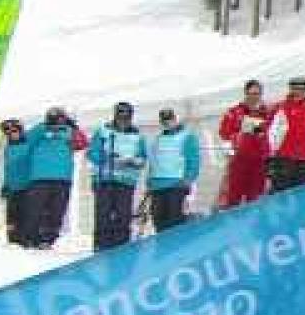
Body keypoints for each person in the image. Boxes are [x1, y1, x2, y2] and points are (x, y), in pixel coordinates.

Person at [25, 106, 88, 248]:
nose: (56, 124)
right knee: (35, 209)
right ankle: (31, 237)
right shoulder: (39, 130)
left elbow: (82, 143)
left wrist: (75, 128)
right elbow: (26, 140)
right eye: (53, 120)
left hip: (62, 178)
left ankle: (48, 239)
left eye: (59, 120)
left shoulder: (69, 131)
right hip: (39, 177)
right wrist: (43, 129)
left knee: (57, 210)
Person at [88, 101, 147, 251]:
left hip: (126, 180)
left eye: (126, 116)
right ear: (115, 115)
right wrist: (107, 158)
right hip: (105, 178)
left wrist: (134, 161)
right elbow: (92, 152)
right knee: (103, 213)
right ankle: (101, 245)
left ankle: (121, 246)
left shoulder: (138, 135)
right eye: (120, 116)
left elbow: (142, 157)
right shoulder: (103, 131)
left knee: (123, 214)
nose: (123, 120)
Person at [218, 79, 271, 208]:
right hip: (239, 160)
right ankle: (232, 223)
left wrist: (269, 155)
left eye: (257, 94)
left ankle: (254, 224)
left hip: (260, 161)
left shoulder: (268, 112)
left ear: (261, 94)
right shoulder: (234, 112)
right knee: (233, 196)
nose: (254, 97)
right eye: (251, 93)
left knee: (256, 197)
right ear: (245, 93)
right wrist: (231, 152)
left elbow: (274, 135)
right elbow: (224, 134)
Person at [267, 77, 305, 192]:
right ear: (291, 90)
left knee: (303, 195)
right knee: (281, 194)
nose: (299, 92)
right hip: (284, 159)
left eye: (302, 89)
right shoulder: (281, 108)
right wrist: (273, 153)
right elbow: (272, 132)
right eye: (296, 89)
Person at [147, 108, 201, 232]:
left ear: (175, 119)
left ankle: (176, 248)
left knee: (174, 221)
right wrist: (149, 180)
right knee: (158, 221)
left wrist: (188, 179)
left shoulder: (187, 137)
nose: (167, 123)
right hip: (157, 186)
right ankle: (163, 249)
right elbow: (154, 161)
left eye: (169, 119)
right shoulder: (158, 139)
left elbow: (194, 160)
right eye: (164, 120)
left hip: (176, 185)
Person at [0, 118, 32, 245]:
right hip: (12, 187)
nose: (12, 134)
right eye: (8, 132)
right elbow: (8, 168)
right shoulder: (8, 148)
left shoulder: (28, 145)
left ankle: (24, 239)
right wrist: (5, 185)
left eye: (14, 131)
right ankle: (12, 239)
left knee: (24, 214)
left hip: (26, 186)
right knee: (11, 216)